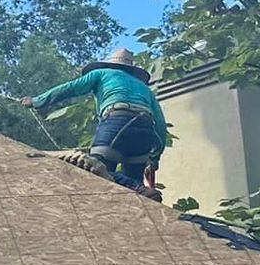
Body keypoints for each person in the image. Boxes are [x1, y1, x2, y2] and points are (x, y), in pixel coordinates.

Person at [24, 49, 170, 194]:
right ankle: (139, 189)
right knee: (138, 194)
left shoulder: (101, 74)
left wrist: (37, 101)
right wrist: (154, 158)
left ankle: (136, 186)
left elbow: (70, 88)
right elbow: (160, 123)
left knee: (94, 170)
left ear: (108, 64)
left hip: (117, 121)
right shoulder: (144, 88)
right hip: (146, 130)